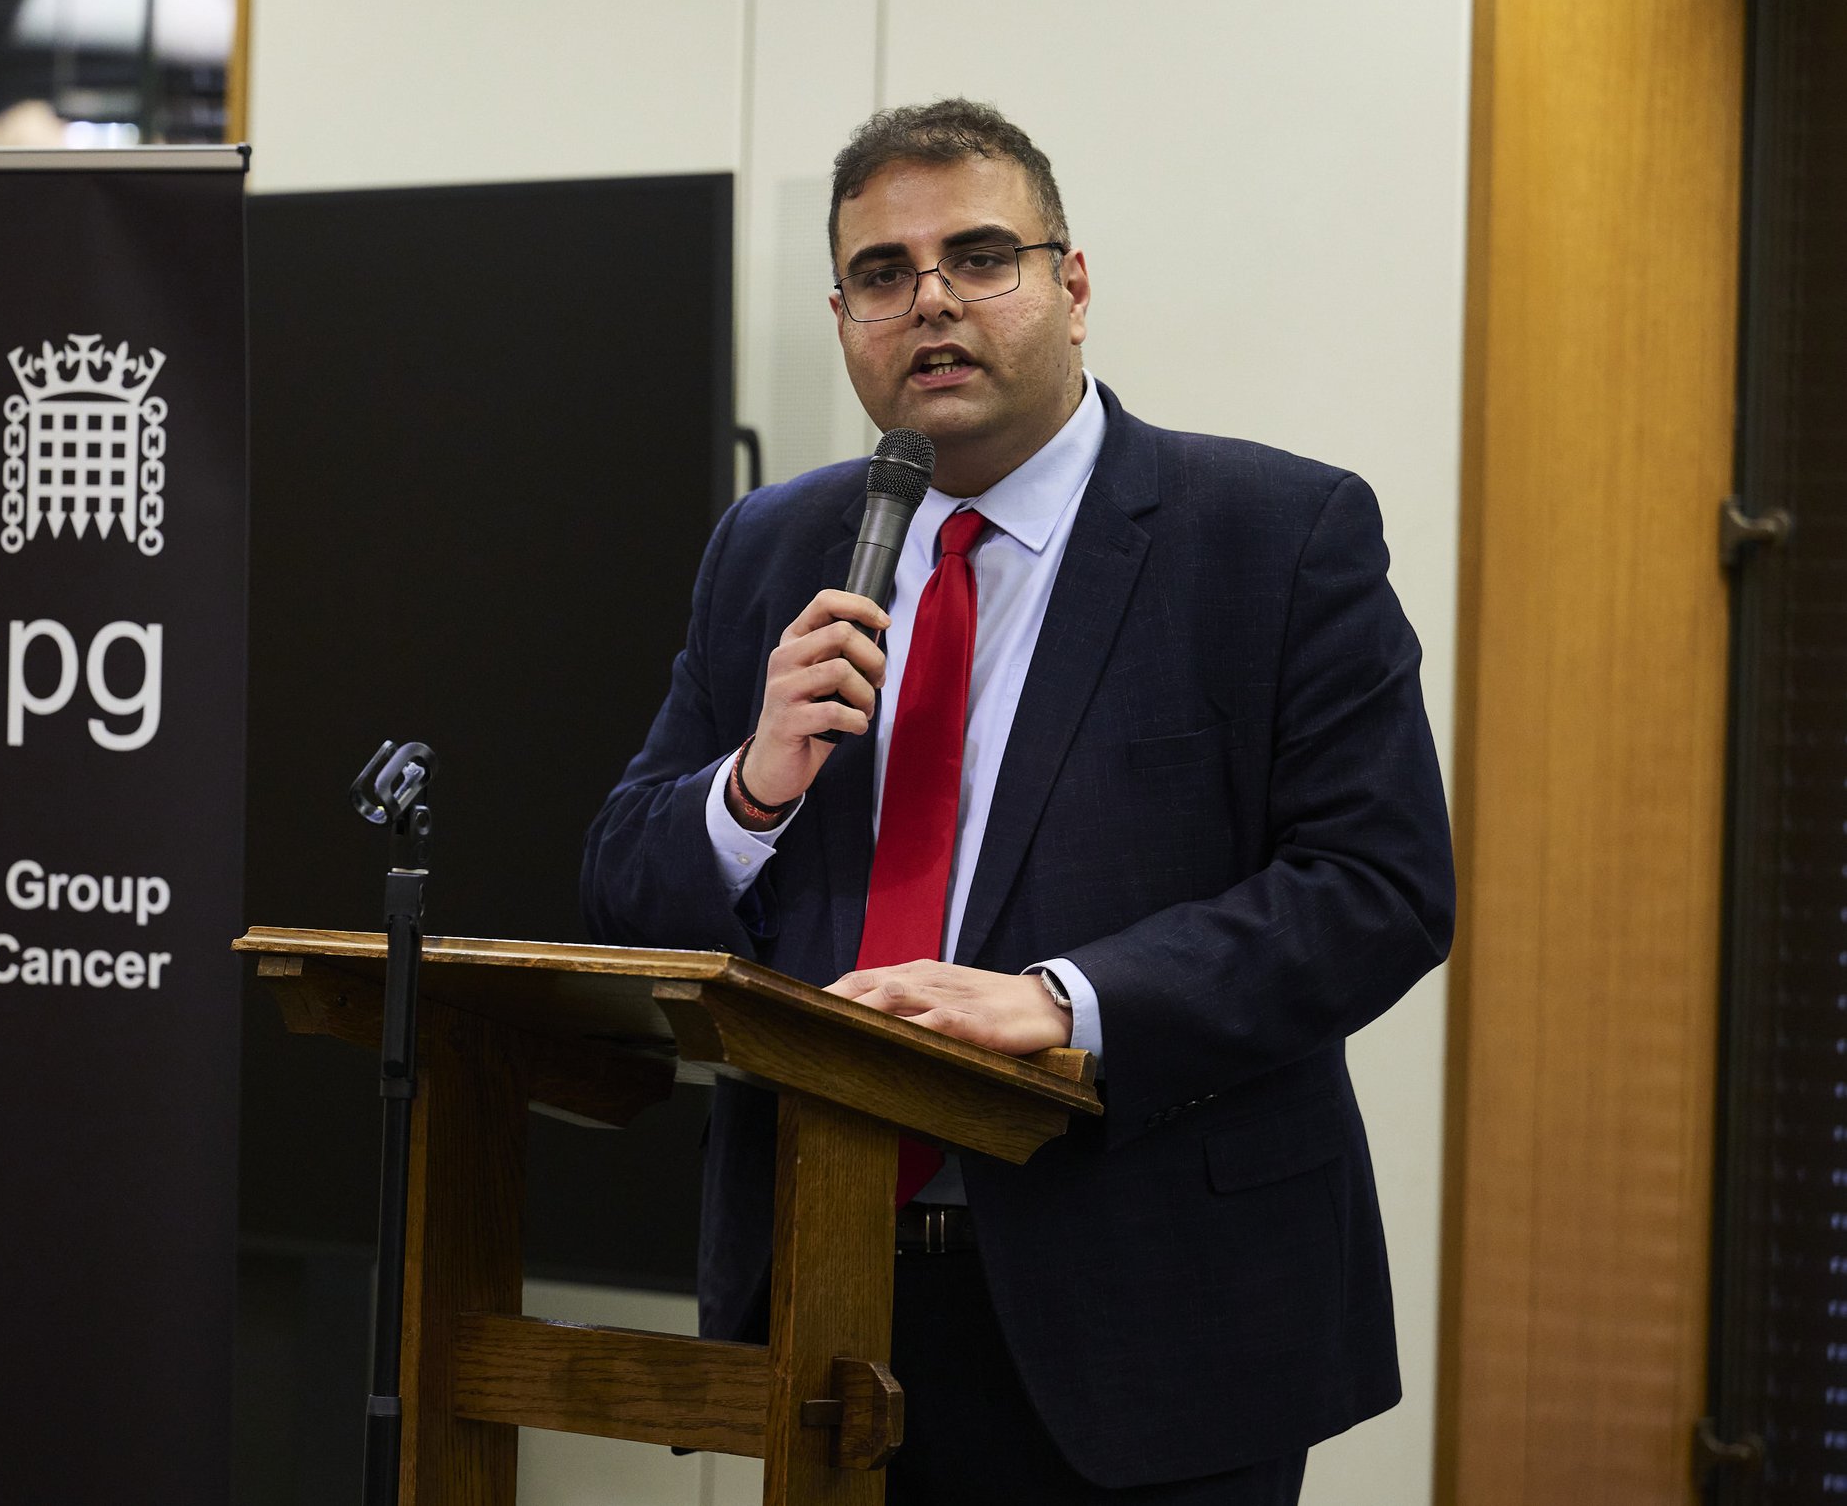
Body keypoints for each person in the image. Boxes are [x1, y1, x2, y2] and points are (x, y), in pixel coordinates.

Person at [581, 98, 1453, 1504]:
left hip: (1157, 1309)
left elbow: (1379, 889)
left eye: (980, 256)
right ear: (845, 320)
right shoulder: (773, 545)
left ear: (1074, 285)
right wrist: (752, 787)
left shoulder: (1273, 535)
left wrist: (1064, 1002)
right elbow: (622, 886)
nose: (931, 300)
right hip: (832, 1295)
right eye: (882, 274)